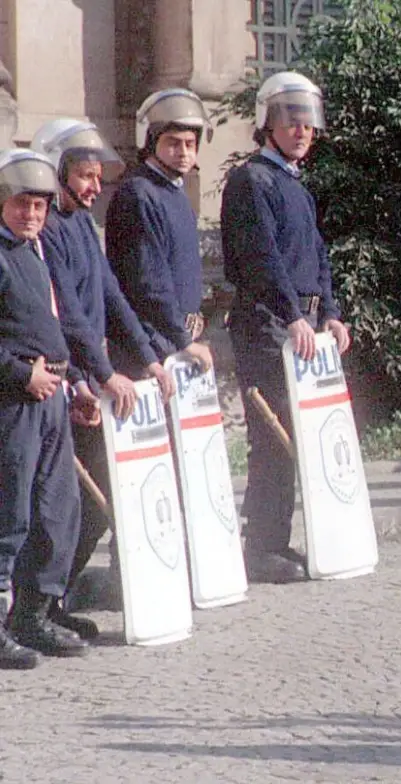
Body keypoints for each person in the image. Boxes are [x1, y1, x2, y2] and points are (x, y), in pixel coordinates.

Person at [31, 117, 174, 637]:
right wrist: (105, 373)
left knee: (93, 503)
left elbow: (111, 297)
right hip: (65, 383)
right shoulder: (45, 228)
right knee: (57, 504)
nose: (95, 187)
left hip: (89, 381)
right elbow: (67, 312)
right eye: (86, 176)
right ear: (57, 171)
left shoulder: (83, 226)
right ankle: (35, 609)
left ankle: (56, 598)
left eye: (97, 177)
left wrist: (149, 357)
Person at [221, 71, 350, 584]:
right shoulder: (252, 181)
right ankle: (262, 545)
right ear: (268, 124)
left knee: (304, 432)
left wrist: (330, 313)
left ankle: (282, 535)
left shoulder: (296, 185)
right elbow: (260, 258)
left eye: (308, 124)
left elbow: (316, 255)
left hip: (303, 322)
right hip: (268, 324)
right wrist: (293, 314)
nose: (302, 132)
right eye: (291, 122)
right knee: (272, 435)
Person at [0, 149, 101, 664]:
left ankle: (34, 613)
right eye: (21, 205)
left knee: (57, 509)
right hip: (15, 401)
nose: (32, 215)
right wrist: (23, 373)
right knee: (10, 511)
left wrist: (78, 383)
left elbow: (56, 324)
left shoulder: (37, 252)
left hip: (55, 397)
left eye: (39, 206)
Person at [104, 89, 214, 376]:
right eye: (173, 143)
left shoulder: (175, 192)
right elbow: (149, 280)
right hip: (151, 343)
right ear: (151, 141)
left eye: (190, 144)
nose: (184, 152)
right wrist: (183, 338)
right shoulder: (139, 193)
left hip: (177, 338)